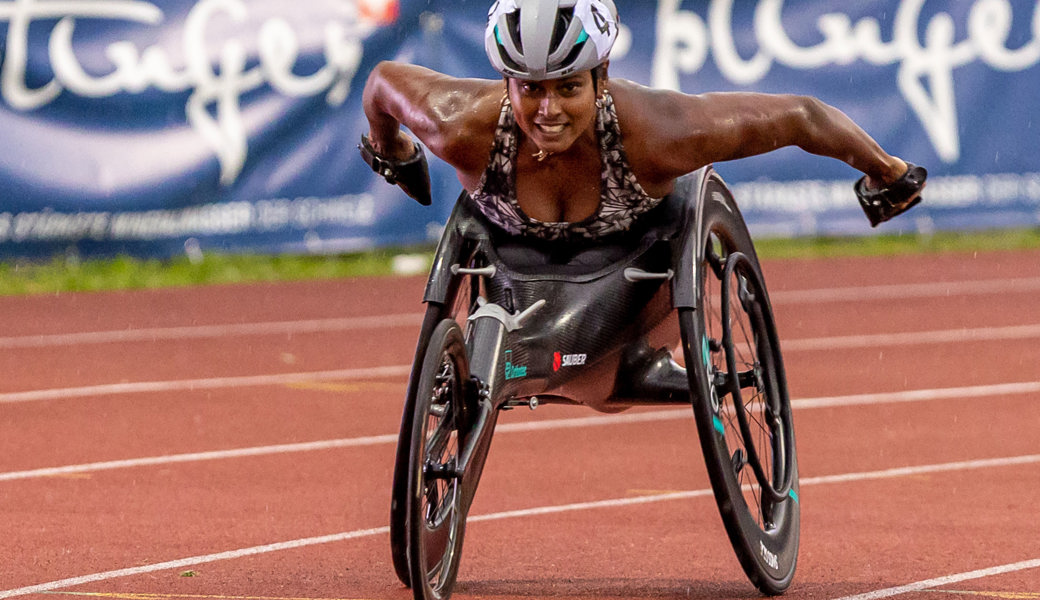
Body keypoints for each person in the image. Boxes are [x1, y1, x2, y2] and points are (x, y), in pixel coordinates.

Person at [359, 0, 926, 240]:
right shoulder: (460, 125)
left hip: (632, 273)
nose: (549, 110)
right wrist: (397, 154)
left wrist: (888, 172)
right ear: (507, 82)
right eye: (530, 88)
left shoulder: (657, 132)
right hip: (509, 268)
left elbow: (801, 116)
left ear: (601, 76)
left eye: (569, 87)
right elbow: (383, 81)